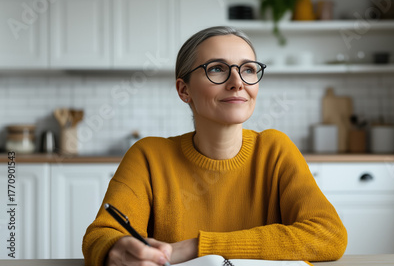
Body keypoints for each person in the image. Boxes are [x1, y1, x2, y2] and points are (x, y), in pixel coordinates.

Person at [82, 26, 347, 266]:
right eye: (217, 68)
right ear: (184, 90)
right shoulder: (148, 156)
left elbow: (329, 234)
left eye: (248, 69)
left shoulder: (275, 149)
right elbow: (101, 235)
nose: (237, 82)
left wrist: (198, 247)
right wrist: (116, 249)